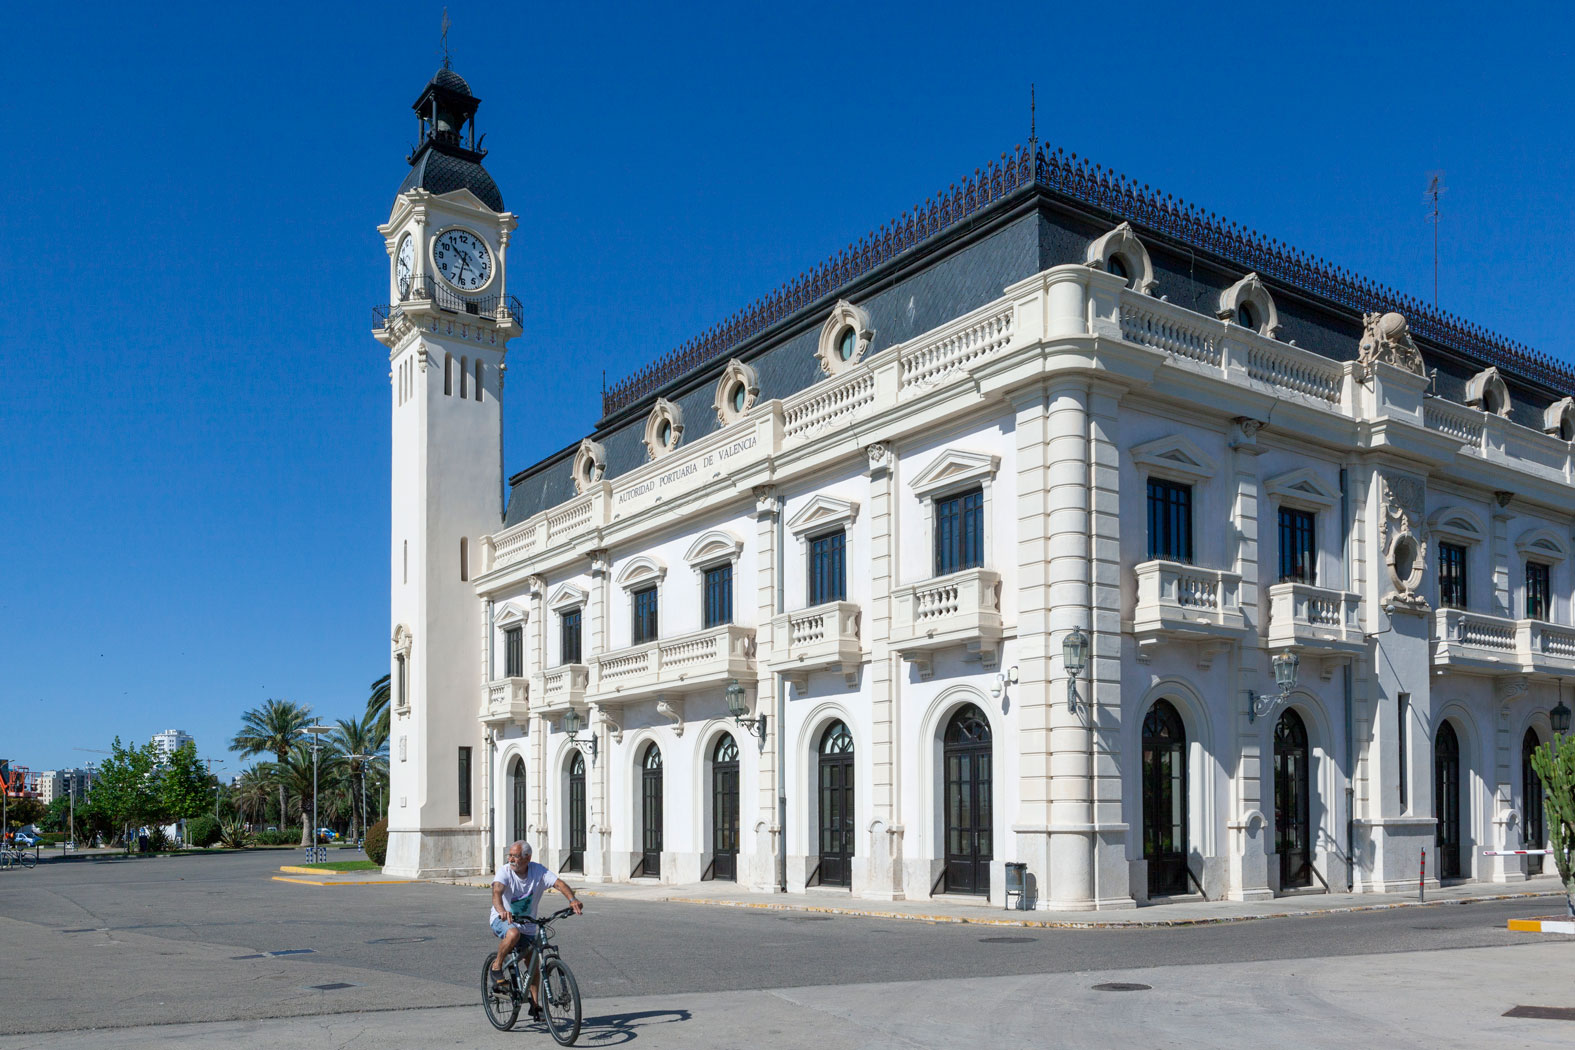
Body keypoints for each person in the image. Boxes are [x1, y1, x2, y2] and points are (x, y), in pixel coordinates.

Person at [489, 840, 582, 1017]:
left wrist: (572, 900)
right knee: (513, 932)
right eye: (509, 855)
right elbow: (496, 893)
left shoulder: (537, 870)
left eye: (515, 856)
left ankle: (535, 1004)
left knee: (533, 963)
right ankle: (497, 966)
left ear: (527, 858)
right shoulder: (505, 872)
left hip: (528, 924)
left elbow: (559, 884)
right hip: (502, 919)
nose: (510, 859)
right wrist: (501, 911)